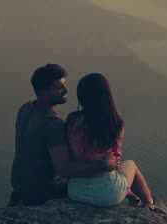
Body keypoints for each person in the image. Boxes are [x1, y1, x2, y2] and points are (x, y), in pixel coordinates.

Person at [9, 64, 119, 205]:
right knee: (98, 185)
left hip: (19, 186)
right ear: (43, 92)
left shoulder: (25, 108)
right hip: (41, 192)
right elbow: (65, 169)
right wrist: (103, 165)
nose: (66, 90)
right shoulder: (54, 125)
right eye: (59, 87)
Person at [64, 73, 156, 208]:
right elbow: (115, 161)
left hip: (76, 191)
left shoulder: (72, 120)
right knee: (130, 164)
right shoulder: (114, 123)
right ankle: (148, 203)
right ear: (106, 96)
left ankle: (133, 196)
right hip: (108, 195)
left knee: (118, 177)